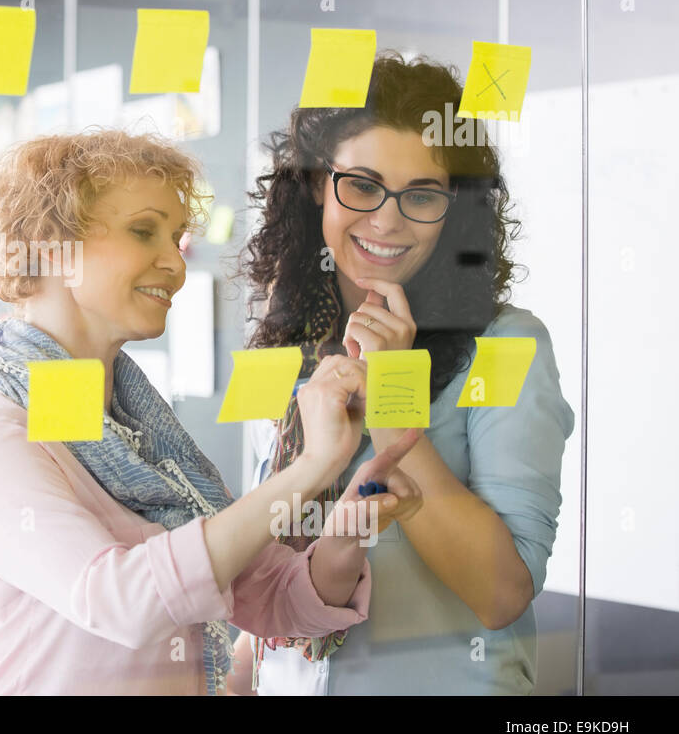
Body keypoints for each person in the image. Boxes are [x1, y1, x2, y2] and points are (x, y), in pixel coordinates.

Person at [0, 129, 423, 695]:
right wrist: (308, 469)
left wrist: (346, 528)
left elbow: (274, 600)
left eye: (176, 237)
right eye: (144, 231)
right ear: (52, 248)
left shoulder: (138, 435)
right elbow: (120, 602)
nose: (175, 263)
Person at [237, 52, 575, 694]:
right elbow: (266, 546)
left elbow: (501, 594)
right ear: (315, 185)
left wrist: (394, 398)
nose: (387, 220)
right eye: (361, 186)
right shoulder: (281, 345)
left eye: (421, 195)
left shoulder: (507, 343)